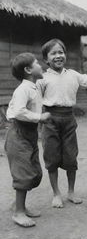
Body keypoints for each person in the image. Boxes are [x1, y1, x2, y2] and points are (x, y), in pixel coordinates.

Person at [37, 39, 87, 208]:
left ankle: (71, 192)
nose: (58, 56)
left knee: (71, 156)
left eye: (61, 52)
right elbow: (35, 99)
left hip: (69, 119)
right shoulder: (42, 78)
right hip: (50, 120)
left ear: (66, 55)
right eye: (53, 53)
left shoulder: (73, 74)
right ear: (46, 59)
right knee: (52, 156)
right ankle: (56, 193)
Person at [5, 53, 51, 227]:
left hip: (29, 134)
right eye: (37, 63)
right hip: (18, 134)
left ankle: (19, 205)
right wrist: (39, 117)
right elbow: (18, 112)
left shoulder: (34, 86)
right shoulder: (23, 89)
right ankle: (18, 213)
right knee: (23, 173)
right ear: (28, 69)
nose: (40, 65)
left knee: (34, 173)